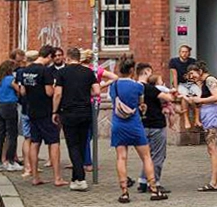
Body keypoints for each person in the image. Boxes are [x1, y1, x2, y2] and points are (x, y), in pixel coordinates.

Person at [110, 55, 168, 203]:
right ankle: (154, 190)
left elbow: (113, 100)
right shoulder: (138, 86)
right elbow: (141, 104)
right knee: (147, 157)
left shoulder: (114, 86)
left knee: (121, 158)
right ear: (131, 71)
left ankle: (124, 193)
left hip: (118, 124)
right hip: (134, 124)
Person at [53, 47, 100, 191]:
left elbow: (58, 94)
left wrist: (54, 111)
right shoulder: (88, 72)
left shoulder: (62, 73)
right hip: (85, 112)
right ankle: (75, 179)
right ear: (79, 58)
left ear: (68, 58)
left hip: (68, 112)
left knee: (72, 145)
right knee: (81, 144)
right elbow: (96, 91)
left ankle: (80, 178)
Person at [19, 45, 66, 187]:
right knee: (54, 143)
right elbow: (49, 93)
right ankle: (57, 178)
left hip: (31, 110)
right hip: (46, 111)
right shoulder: (45, 71)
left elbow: (22, 92)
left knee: (35, 142)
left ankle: (35, 177)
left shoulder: (26, 71)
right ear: (50, 57)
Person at [135, 63, 175, 194]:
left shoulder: (134, 87)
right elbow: (169, 98)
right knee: (157, 155)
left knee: (147, 156)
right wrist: (166, 89)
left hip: (141, 124)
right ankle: (155, 182)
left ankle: (142, 181)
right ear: (146, 72)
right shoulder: (151, 89)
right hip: (156, 125)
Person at [187, 62, 217, 192]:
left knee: (213, 148)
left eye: (193, 74)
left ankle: (214, 182)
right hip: (209, 114)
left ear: (200, 70)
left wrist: (199, 101)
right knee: (215, 149)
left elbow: (216, 97)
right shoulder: (204, 82)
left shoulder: (210, 80)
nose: (191, 77)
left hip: (212, 115)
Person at [0, 59, 22, 172]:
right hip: (10, 106)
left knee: (0, 135)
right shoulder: (10, 79)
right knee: (12, 135)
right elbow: (19, 90)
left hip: (0, 106)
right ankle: (10, 162)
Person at [13, 49, 39, 177]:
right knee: (35, 139)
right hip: (37, 109)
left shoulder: (21, 72)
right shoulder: (40, 71)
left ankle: (27, 167)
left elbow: (21, 91)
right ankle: (33, 166)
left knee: (27, 138)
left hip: (24, 107)